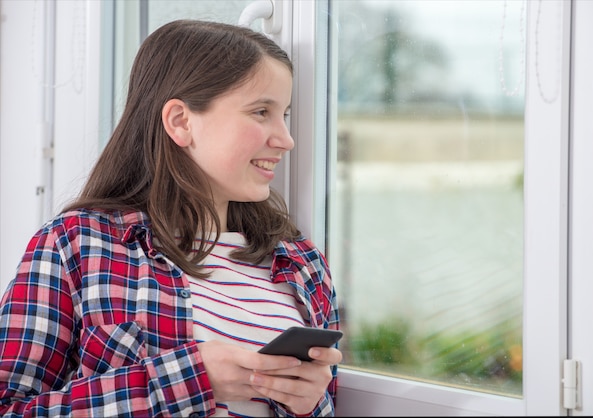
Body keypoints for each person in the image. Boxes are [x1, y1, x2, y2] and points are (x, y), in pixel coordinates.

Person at [0, 19, 341, 417]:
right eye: (261, 111)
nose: (286, 138)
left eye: (284, 113)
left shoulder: (303, 264)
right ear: (181, 121)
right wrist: (188, 380)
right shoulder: (77, 245)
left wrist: (311, 407)